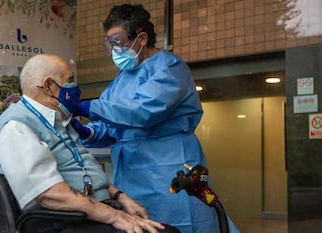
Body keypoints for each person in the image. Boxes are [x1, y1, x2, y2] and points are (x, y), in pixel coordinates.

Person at [70, 4, 240, 233]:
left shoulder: (169, 67)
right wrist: (86, 131)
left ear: (141, 38)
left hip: (168, 167)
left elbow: (143, 111)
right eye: (109, 43)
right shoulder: (121, 79)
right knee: (136, 226)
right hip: (130, 174)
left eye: (118, 41)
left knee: (177, 225)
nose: (114, 50)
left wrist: (87, 106)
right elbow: (110, 126)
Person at [0, 54, 179, 233]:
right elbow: (48, 193)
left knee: (166, 230)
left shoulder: (59, 121)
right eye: (70, 80)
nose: (75, 87)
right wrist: (114, 216)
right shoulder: (17, 126)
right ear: (48, 86)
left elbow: (85, 171)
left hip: (83, 216)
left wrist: (120, 197)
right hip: (56, 223)